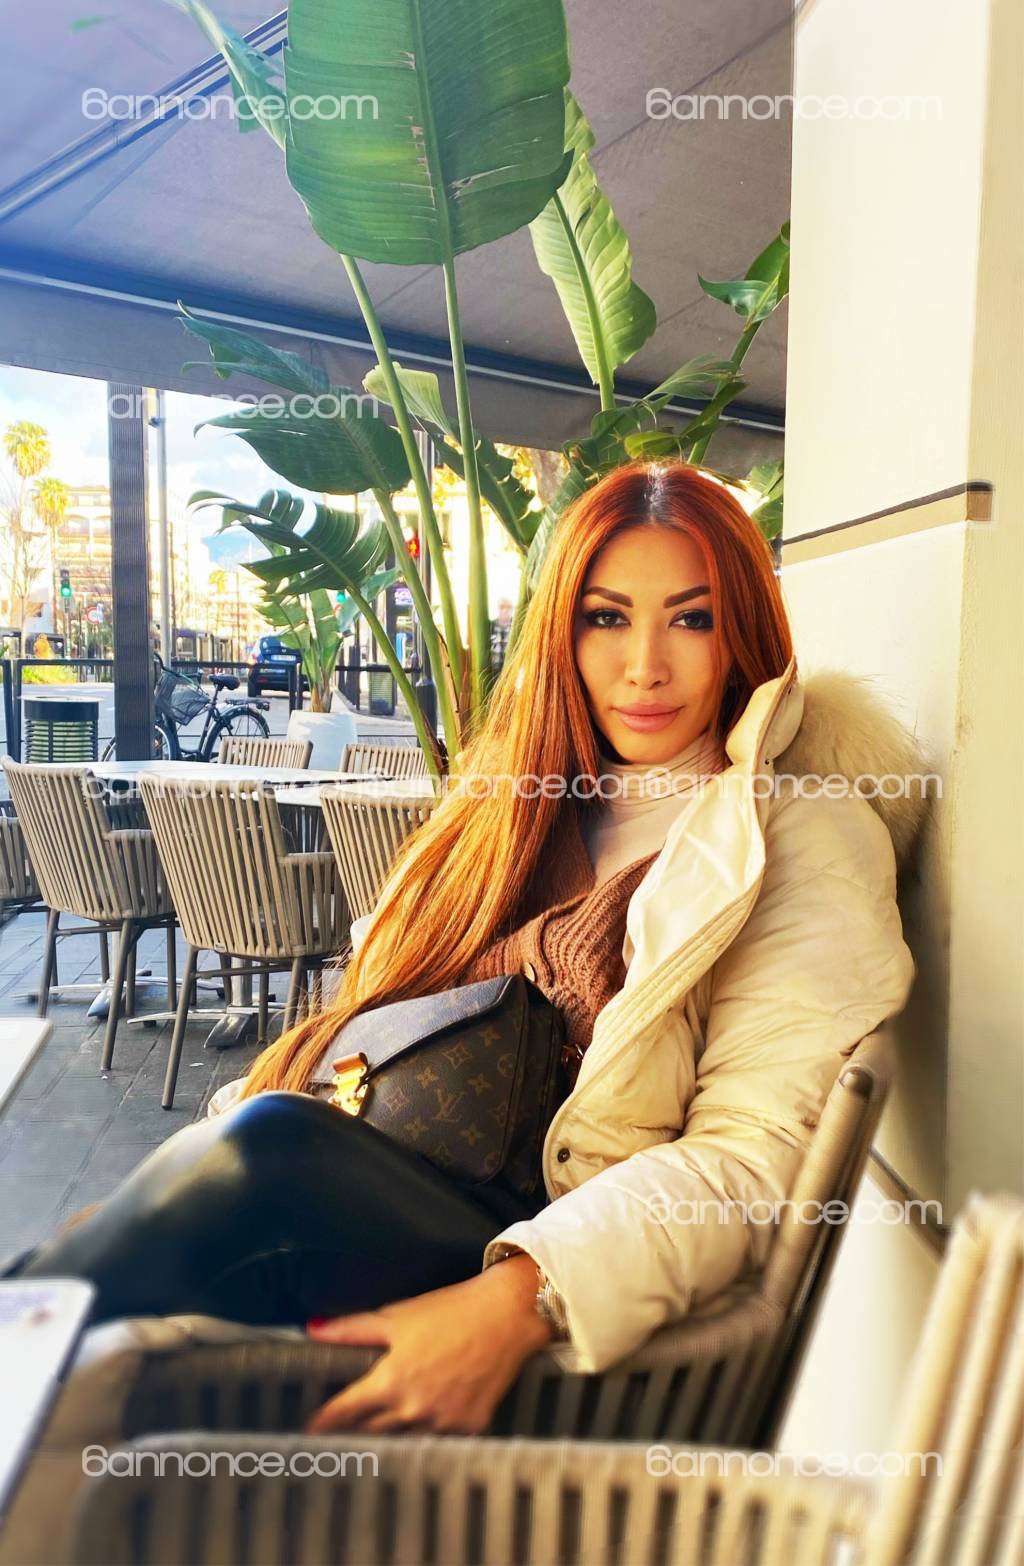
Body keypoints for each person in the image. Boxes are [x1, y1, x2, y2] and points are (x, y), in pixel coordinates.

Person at [8, 461, 927, 1437]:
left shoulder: (798, 835)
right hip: (356, 1197)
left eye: (690, 620)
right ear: (562, 633)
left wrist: (520, 1295)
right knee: (173, 1240)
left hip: (543, 1266)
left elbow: (754, 1155)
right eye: (607, 618)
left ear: (743, 630)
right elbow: (362, 1036)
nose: (645, 666)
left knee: (258, 1163)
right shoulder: (507, 817)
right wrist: (164, 1193)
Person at [490, 596, 515, 673]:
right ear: (498, 609)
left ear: (512, 609)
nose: (505, 610)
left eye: (508, 607)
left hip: (512, 671)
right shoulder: (490, 626)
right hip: (493, 671)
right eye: (502, 607)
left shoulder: (516, 626)